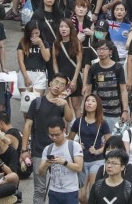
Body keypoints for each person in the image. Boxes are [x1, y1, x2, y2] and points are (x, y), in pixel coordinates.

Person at [23, 73, 76, 204]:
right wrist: (24, 149)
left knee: (58, 187)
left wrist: (65, 104)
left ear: (65, 89)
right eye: (56, 82)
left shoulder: (62, 104)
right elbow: (28, 125)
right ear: (49, 83)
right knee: (40, 189)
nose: (58, 86)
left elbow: (69, 119)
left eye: (62, 85)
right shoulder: (37, 102)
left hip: (58, 151)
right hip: (38, 151)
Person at [39, 117, 84, 204]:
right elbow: (40, 172)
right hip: (53, 191)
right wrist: (46, 164)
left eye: (57, 134)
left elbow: (79, 168)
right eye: (51, 135)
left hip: (70, 191)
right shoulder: (48, 149)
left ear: (64, 130)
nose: (54, 137)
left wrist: (64, 162)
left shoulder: (74, 146)